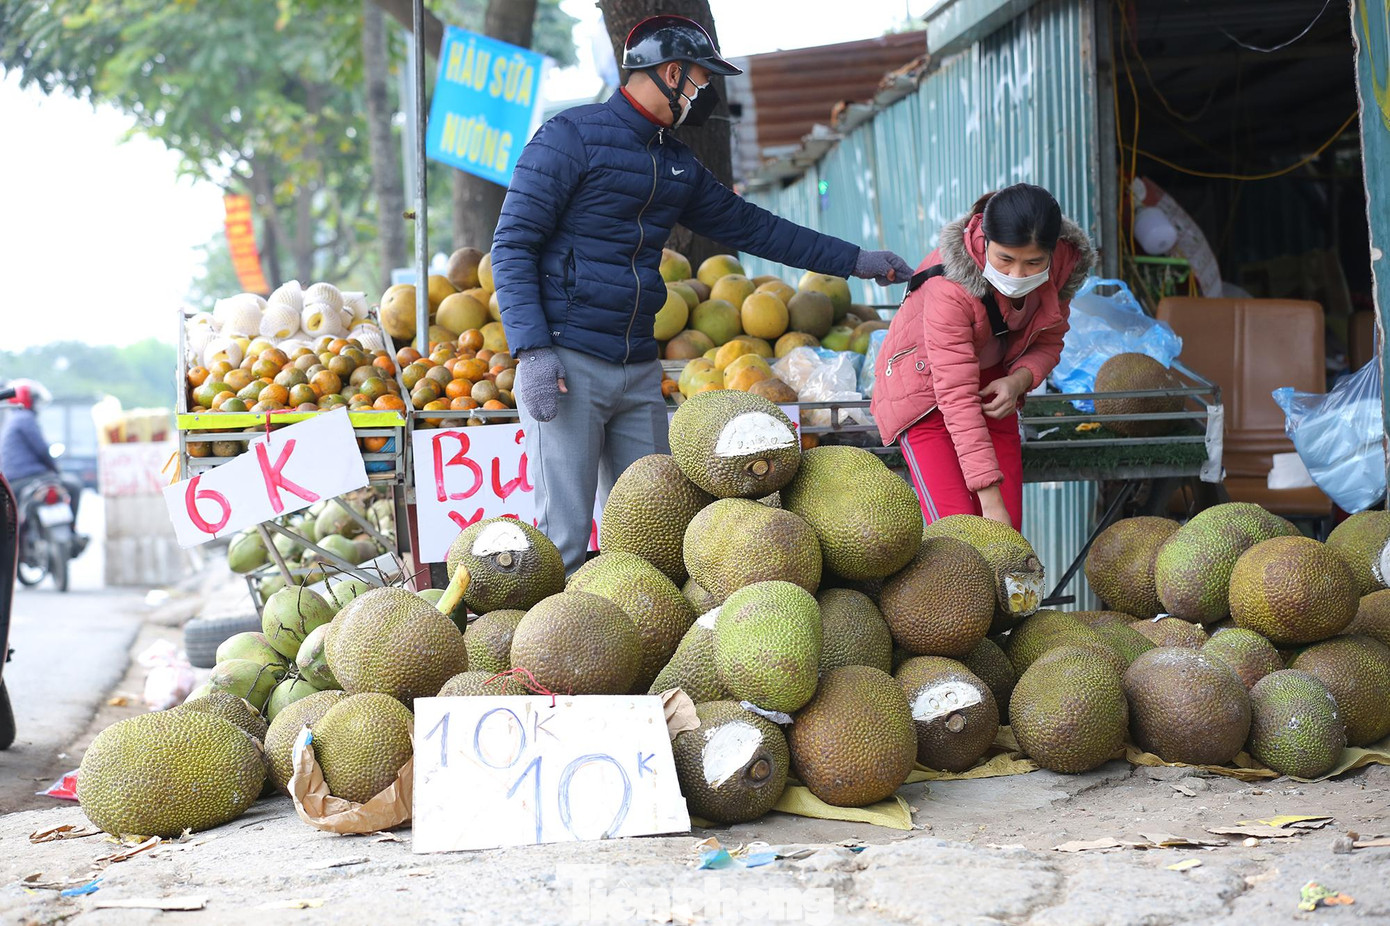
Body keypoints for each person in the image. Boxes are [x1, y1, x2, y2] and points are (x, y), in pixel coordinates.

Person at [492, 14, 912, 573]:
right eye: (699, 78)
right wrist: (533, 351)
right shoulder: (569, 138)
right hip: (567, 363)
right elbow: (512, 244)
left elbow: (757, 228)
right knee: (562, 540)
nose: (704, 92)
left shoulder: (677, 165)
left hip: (639, 367)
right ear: (670, 73)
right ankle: (542, 658)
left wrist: (856, 261)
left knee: (659, 540)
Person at [870, 184, 1096, 530]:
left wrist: (1018, 380)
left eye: (1033, 262)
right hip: (925, 394)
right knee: (960, 536)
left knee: (1008, 533)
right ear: (986, 242)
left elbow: (1049, 342)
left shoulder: (1063, 267)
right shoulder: (949, 286)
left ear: (1052, 253)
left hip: (994, 385)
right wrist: (990, 504)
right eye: (1005, 259)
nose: (1017, 275)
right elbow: (956, 397)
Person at [0, 380, 85, 536]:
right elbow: (42, 450)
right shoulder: (24, 418)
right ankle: (72, 530)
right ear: (27, 398)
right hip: (30, 477)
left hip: (16, 480)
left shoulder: (13, 420)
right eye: (34, 400)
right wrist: (55, 469)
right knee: (73, 486)